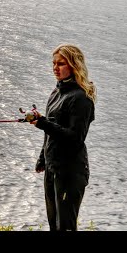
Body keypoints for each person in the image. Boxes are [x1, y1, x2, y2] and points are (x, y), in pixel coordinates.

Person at [30, 43, 96, 231]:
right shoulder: (56, 92)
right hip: (53, 167)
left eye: (61, 64)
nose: (55, 68)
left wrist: (43, 123)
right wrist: (42, 158)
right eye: (54, 63)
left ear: (74, 66)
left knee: (65, 226)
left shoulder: (81, 98)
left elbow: (75, 138)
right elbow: (50, 132)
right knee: (54, 224)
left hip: (70, 171)